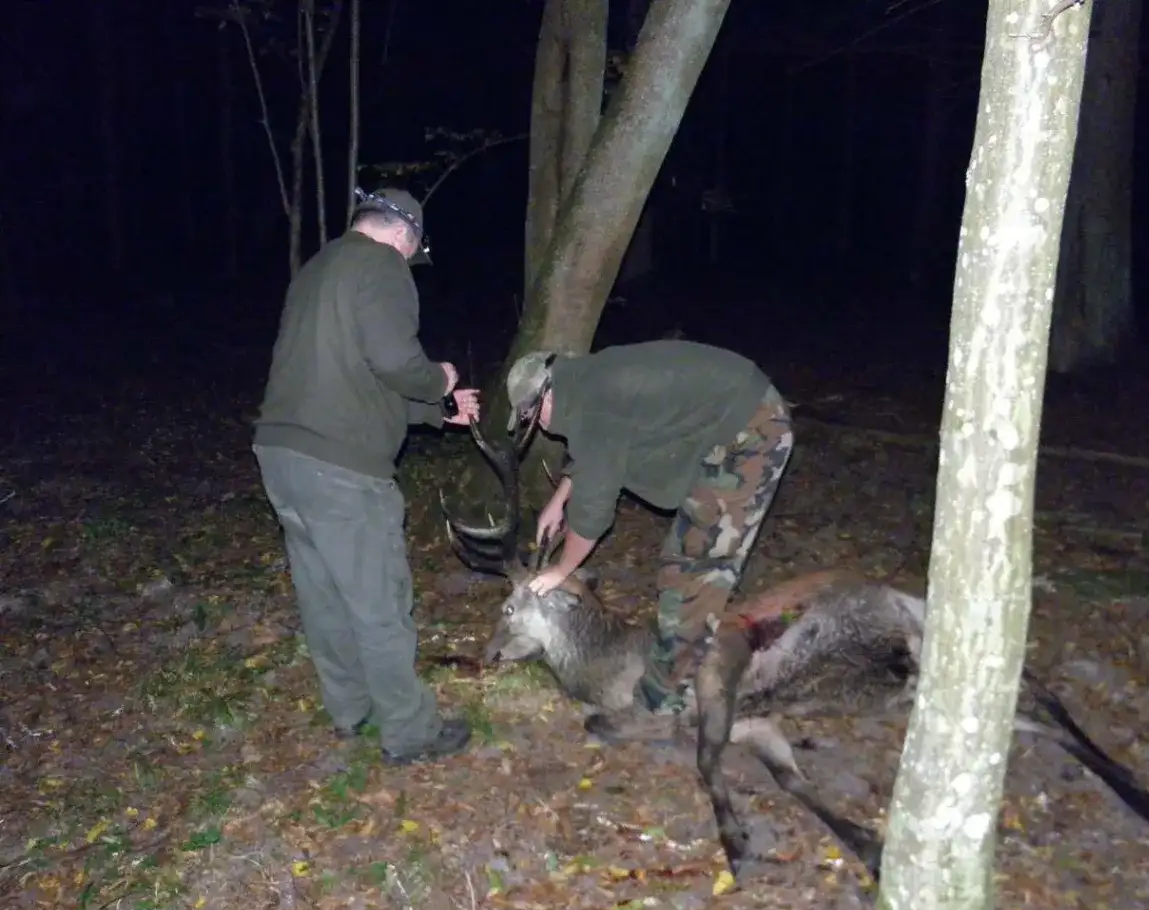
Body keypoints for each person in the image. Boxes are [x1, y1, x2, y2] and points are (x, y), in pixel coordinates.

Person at [253, 187, 478, 765]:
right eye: (411, 250)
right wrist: (440, 379)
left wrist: (440, 413)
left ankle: (351, 709)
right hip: (342, 471)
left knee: (325, 595)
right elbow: (395, 362)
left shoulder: (316, 271)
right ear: (403, 236)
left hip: (283, 455)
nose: (408, 260)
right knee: (379, 601)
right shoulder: (381, 264)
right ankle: (410, 733)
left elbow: (356, 378)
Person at [504, 341, 793, 710]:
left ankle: (667, 705)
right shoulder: (587, 386)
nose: (538, 427)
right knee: (686, 564)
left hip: (750, 429)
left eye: (532, 416)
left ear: (545, 395)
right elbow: (596, 454)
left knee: (691, 575)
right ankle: (693, 665)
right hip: (726, 422)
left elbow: (592, 511)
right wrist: (559, 500)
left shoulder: (594, 410)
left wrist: (562, 569)